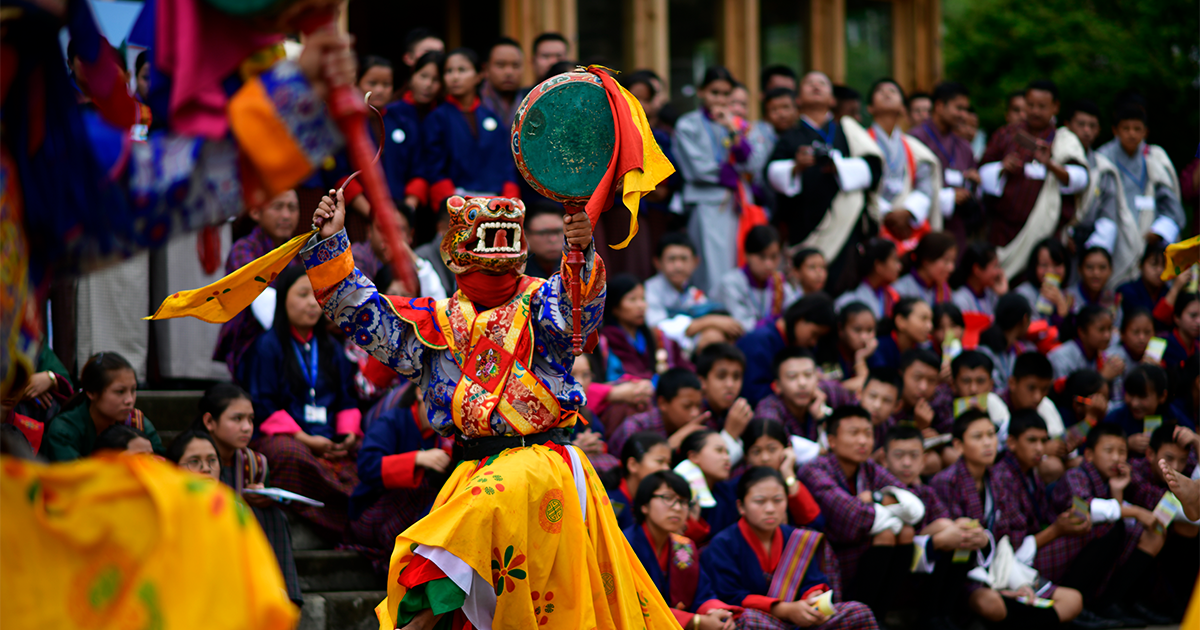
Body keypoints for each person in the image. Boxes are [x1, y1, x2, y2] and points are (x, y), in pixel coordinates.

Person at [305, 170, 682, 627]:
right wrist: (333, 239)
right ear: (453, 256)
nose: (492, 267)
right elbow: (362, 312)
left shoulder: (542, 306)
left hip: (536, 467)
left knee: (463, 554)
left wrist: (580, 251)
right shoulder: (436, 323)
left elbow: (577, 314)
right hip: (473, 470)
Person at [929, 410, 1085, 628]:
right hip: (966, 576)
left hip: (1004, 566)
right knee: (992, 604)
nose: (988, 443)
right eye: (978, 437)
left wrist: (1018, 582)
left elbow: (1010, 538)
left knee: (1073, 600)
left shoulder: (998, 478)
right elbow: (952, 544)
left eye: (991, 435)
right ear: (958, 445)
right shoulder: (946, 481)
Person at [242, 266, 362, 542]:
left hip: (328, 440)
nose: (312, 302)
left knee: (362, 458)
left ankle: (334, 515)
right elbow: (263, 404)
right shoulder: (267, 346)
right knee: (288, 455)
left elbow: (346, 398)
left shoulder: (332, 347)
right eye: (302, 294)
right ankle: (339, 518)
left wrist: (346, 436)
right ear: (284, 298)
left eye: (317, 295)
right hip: (289, 438)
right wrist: (305, 439)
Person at [705, 467, 881, 629]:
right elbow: (730, 597)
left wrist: (813, 600)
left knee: (859, 611)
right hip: (765, 621)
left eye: (777, 500)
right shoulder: (723, 544)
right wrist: (785, 610)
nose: (770, 509)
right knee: (748, 621)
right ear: (741, 506)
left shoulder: (797, 538)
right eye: (759, 501)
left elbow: (814, 581)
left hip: (802, 618)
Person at [798, 405, 925, 620]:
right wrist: (890, 508)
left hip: (862, 549)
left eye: (868, 433)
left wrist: (876, 499)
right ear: (832, 440)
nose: (863, 441)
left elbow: (916, 509)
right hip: (829, 556)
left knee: (906, 532)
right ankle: (862, 617)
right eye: (854, 433)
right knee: (889, 532)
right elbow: (854, 518)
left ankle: (879, 616)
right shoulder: (815, 470)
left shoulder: (869, 468)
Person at [766, 72, 883, 295]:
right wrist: (795, 167)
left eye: (822, 84)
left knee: (844, 286)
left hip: (845, 227)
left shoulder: (847, 131)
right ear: (798, 100)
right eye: (809, 83)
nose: (816, 86)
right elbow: (770, 175)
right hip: (804, 226)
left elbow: (874, 168)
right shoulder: (790, 136)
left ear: (832, 100)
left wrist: (839, 167)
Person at [1041, 423, 1166, 626]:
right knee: (1108, 527)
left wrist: (1117, 490)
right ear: (1089, 454)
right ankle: (1079, 607)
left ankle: (1107, 602)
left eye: (1122, 452)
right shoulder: (1076, 475)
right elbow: (1085, 509)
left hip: (1084, 550)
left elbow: (1114, 512)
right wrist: (1136, 511)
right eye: (1109, 451)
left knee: (1146, 532)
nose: (1116, 458)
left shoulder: (1110, 479)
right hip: (1053, 554)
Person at [194, 383, 302, 603]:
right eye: (237, 419)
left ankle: (285, 598)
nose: (246, 427)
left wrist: (263, 498)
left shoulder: (254, 463)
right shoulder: (192, 455)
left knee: (273, 515)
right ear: (209, 422)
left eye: (251, 419)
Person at [979, 80, 1089, 275]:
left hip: (1045, 235)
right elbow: (982, 172)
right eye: (1030, 105)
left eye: (1042, 106)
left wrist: (1050, 165)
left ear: (1055, 106)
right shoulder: (1007, 134)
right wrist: (1002, 168)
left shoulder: (1064, 140)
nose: (1035, 111)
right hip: (1005, 233)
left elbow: (1080, 179)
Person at [345, 384, 450, 573]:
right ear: (419, 392)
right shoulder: (391, 421)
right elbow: (367, 467)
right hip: (370, 512)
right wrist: (417, 459)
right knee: (423, 489)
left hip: (407, 519)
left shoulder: (442, 435)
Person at [624, 470, 738, 630]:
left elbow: (703, 593)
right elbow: (630, 604)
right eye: (668, 498)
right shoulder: (624, 546)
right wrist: (695, 621)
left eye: (684, 502)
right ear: (644, 505)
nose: (678, 508)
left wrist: (715, 612)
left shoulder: (684, 546)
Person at [674, 66, 752, 293]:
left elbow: (752, 162)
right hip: (706, 203)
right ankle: (715, 313)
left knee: (735, 260)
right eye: (714, 92)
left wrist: (732, 129)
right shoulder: (688, 124)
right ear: (701, 92)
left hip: (736, 204)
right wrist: (731, 173)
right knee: (711, 266)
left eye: (726, 94)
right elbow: (697, 168)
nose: (720, 99)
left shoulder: (735, 124)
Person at [212, 190, 301, 374]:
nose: (286, 215)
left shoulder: (298, 254)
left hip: (292, 340)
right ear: (255, 212)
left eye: (292, 208)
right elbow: (264, 303)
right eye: (278, 207)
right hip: (250, 344)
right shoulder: (244, 249)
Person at [422, 48, 519, 210]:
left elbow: (506, 163)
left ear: (479, 75)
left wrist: (510, 201)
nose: (455, 77)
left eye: (462, 70)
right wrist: (452, 204)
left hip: (495, 203)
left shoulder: (491, 117)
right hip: (457, 203)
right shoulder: (437, 118)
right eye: (448, 71)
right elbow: (434, 168)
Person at [1095, 105, 1185, 259]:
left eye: (1137, 129)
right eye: (1126, 128)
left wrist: (1159, 230)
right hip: (1114, 234)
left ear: (1145, 132)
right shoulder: (1102, 158)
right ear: (1115, 130)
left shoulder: (1154, 157)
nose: (1132, 134)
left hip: (1149, 235)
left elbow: (1171, 205)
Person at [865, 79, 941, 256]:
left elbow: (925, 186)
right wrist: (887, 214)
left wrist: (908, 212)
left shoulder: (915, 148)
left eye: (893, 91)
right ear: (870, 108)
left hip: (908, 222)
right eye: (880, 91)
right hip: (874, 220)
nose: (886, 93)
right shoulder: (861, 142)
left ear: (902, 109)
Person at [44, 352, 163, 461]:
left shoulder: (138, 423)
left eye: (133, 390)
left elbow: (165, 465)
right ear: (91, 392)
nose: (130, 400)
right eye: (120, 391)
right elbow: (72, 477)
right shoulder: (63, 430)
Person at [644, 233, 743, 351]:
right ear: (657, 262)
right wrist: (709, 321)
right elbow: (658, 330)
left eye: (684, 259)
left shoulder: (691, 292)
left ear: (695, 262)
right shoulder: (649, 290)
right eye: (672, 259)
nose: (678, 266)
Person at [910, 82, 981, 246]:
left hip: (956, 229)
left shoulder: (964, 147)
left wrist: (972, 183)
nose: (964, 115)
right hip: (924, 229)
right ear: (940, 106)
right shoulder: (915, 139)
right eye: (959, 108)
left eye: (966, 110)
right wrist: (948, 197)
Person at [738, 294, 837, 406]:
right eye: (814, 334)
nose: (814, 342)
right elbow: (754, 393)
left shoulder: (803, 345)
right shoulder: (758, 342)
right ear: (800, 318)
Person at [601, 274, 688, 382]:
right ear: (614, 307)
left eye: (642, 298)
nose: (641, 306)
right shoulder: (608, 338)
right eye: (632, 300)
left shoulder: (653, 335)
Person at [713, 224, 798, 331]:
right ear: (747, 255)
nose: (769, 264)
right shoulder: (731, 283)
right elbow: (740, 324)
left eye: (774, 257)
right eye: (762, 257)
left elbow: (793, 313)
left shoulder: (778, 282)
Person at [754, 348, 847, 446]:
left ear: (818, 377)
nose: (802, 383)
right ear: (777, 386)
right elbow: (772, 448)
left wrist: (823, 417)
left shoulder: (829, 391)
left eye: (808, 375)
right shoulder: (769, 407)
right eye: (792, 376)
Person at [608, 368, 707, 456]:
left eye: (698, 406)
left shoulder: (693, 428)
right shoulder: (636, 427)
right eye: (687, 406)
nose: (695, 413)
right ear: (662, 403)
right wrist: (669, 445)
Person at [742, 418, 823, 525]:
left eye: (772, 449)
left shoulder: (794, 480)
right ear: (746, 457)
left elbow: (816, 522)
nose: (765, 458)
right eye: (756, 452)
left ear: (786, 450)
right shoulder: (735, 488)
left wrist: (788, 475)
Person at [675, 429, 738, 539]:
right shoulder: (676, 494)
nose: (727, 458)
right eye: (719, 451)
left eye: (727, 452)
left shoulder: (726, 492)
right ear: (694, 457)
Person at [747, 88, 801, 214]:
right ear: (765, 115)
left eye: (786, 107)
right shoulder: (758, 135)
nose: (781, 114)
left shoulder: (803, 135)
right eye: (774, 110)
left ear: (797, 109)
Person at [607, 432, 673, 530]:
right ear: (633, 465)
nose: (666, 469)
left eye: (668, 463)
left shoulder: (655, 500)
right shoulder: (611, 502)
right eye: (660, 461)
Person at [695, 343, 754, 444]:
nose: (730, 385)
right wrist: (730, 434)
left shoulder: (739, 413)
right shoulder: (695, 415)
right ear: (702, 381)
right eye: (721, 376)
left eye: (736, 377)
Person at [1047, 304, 1123, 382]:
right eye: (1101, 330)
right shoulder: (1061, 357)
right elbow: (1065, 392)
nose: (1107, 336)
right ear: (1082, 332)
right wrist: (1102, 378)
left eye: (1110, 329)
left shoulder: (1105, 358)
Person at [834, 238, 902, 318]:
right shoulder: (850, 298)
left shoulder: (890, 295)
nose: (899, 266)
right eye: (894, 260)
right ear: (878, 265)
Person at [1012, 237, 1072, 324]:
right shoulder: (1022, 295)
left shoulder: (1069, 296)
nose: (1050, 271)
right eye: (1044, 265)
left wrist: (1061, 306)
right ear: (1034, 266)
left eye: (1057, 264)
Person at [891, 231, 956, 306]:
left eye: (953, 261)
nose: (951, 268)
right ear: (926, 260)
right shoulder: (900, 291)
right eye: (946, 260)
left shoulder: (945, 291)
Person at [868, 298, 933, 371]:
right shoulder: (878, 349)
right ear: (900, 321)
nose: (929, 326)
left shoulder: (924, 351)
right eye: (923, 319)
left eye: (931, 320)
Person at [1065, 247, 1120, 333]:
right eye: (1089, 267)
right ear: (1079, 269)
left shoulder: (1112, 299)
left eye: (1102, 267)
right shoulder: (1068, 296)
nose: (1096, 273)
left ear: (1111, 270)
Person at [1106, 307, 1156, 401]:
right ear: (1122, 334)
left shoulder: (1154, 357)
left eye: (1147, 332)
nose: (1142, 338)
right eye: (1136, 332)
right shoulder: (1114, 358)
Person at [950, 242, 1007, 319]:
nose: (999, 271)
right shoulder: (960, 300)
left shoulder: (991, 293)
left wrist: (1003, 295)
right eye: (995, 266)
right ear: (977, 270)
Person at [478, 37, 523, 130]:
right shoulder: (474, 103)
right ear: (485, 69)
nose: (509, 72)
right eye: (501, 65)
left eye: (515, 65)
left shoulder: (531, 103)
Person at [832, 302, 878, 391]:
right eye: (857, 330)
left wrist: (861, 358)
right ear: (840, 329)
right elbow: (832, 389)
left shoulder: (873, 354)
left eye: (869, 330)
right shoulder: (828, 353)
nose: (864, 337)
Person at [396, 51, 443, 123]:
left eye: (436, 79)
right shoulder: (392, 112)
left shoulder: (444, 115)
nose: (428, 84)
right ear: (412, 75)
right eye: (423, 76)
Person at [522, 203, 565, 280]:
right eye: (544, 233)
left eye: (558, 231)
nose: (553, 239)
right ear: (525, 235)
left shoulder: (574, 267)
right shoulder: (517, 272)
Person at [1163, 292, 1200, 372]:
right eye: (1193, 315)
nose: (1198, 321)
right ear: (1177, 318)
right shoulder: (1159, 343)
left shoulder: (1198, 347)